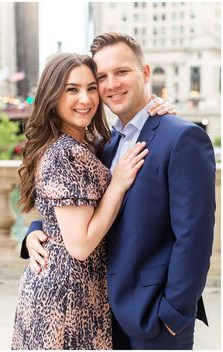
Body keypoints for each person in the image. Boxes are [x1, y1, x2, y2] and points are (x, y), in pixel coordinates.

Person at [21, 33, 215, 350]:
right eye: (102, 77)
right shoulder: (104, 144)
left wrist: (173, 314)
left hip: (153, 320)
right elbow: (77, 202)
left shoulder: (181, 138)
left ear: (146, 73)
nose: (111, 84)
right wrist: (36, 230)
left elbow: (194, 237)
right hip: (99, 316)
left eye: (122, 72)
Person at [11, 52, 150, 350]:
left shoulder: (86, 143)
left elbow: (55, 212)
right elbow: (81, 245)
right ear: (52, 95)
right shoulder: (64, 152)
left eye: (90, 88)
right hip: (65, 300)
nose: (85, 99)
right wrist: (118, 184)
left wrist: (156, 108)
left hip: (77, 292)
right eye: (71, 89)